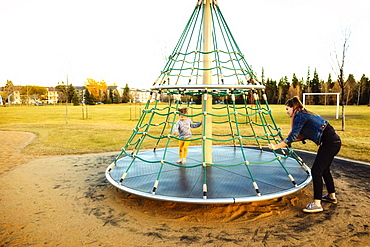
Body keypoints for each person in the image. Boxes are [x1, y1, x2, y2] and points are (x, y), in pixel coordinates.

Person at [268, 96, 341, 213]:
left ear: (293, 107)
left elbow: (293, 137)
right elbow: (302, 136)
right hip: (333, 142)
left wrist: (276, 146)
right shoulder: (304, 114)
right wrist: (285, 140)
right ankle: (331, 196)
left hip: (329, 143)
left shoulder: (299, 116)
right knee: (324, 170)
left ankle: (317, 204)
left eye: (287, 109)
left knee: (316, 171)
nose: (287, 112)